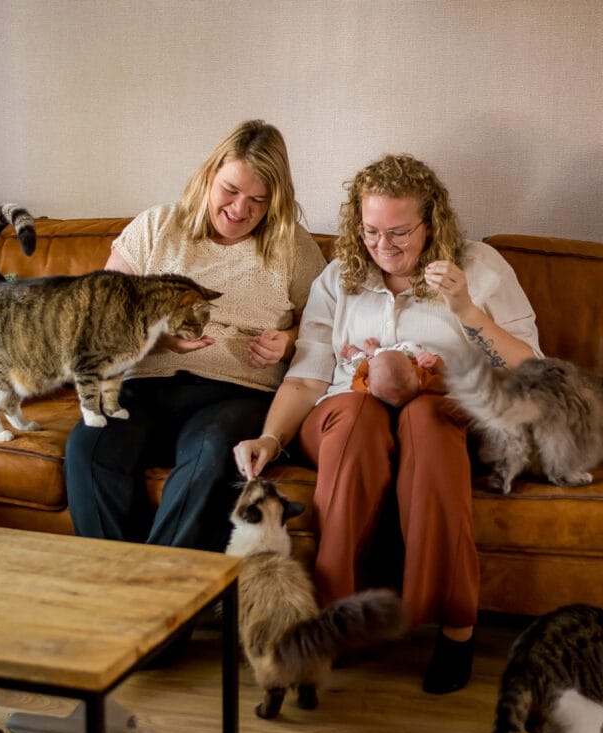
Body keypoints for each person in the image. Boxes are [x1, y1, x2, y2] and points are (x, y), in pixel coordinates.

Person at [233, 153, 542, 694]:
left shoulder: (481, 267)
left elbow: (532, 371)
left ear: (432, 224)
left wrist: (467, 310)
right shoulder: (338, 278)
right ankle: (337, 617)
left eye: (400, 232)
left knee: (425, 420)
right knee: (357, 417)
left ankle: (455, 624)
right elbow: (307, 379)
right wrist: (270, 436)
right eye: (371, 230)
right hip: (345, 414)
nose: (385, 246)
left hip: (445, 410)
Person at [65, 120, 325, 555]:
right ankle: (112, 585)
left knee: (209, 456)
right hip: (145, 386)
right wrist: (157, 336)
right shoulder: (156, 227)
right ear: (208, 176)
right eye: (230, 190)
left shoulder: (291, 247)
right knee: (89, 446)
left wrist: (289, 339)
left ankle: (165, 593)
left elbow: (324, 326)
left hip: (236, 394)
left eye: (258, 201)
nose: (240, 209)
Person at [340, 338, 444, 407]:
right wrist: (435, 362)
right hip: (392, 363)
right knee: (409, 351)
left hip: (373, 367)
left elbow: (356, 379)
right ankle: (376, 351)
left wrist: (366, 363)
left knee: (359, 362)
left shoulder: (366, 386)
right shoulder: (425, 382)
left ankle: (367, 352)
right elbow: (446, 380)